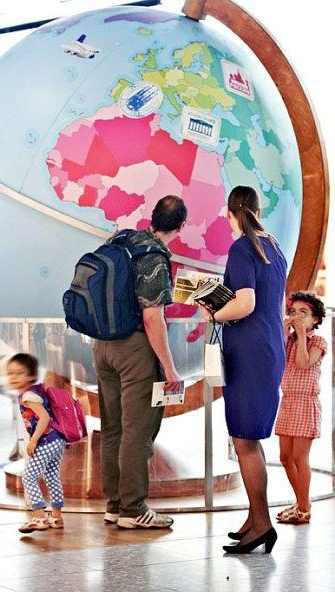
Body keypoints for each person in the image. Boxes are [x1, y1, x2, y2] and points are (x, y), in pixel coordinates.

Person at [199, 185, 287, 554]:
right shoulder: (273, 247)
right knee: (250, 439)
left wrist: (213, 312)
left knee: (243, 440)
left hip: (249, 351)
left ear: (229, 211)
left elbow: (246, 302)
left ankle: (263, 525)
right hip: (269, 346)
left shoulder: (241, 247)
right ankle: (255, 517)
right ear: (257, 209)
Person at [93, 195, 187, 529]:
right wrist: (170, 368)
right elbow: (152, 318)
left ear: (153, 217)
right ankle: (134, 511)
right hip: (133, 349)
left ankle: (115, 505)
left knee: (113, 428)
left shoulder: (121, 240)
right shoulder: (154, 257)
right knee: (137, 431)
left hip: (102, 345)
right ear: (181, 226)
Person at [275, 291, 327, 525]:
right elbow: (276, 362)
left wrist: (302, 336)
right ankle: (300, 503)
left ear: (315, 319)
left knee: (299, 457)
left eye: (303, 313)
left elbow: (303, 363)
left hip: (306, 402)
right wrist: (285, 335)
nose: (296, 316)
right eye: (293, 311)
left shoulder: (318, 341)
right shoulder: (290, 341)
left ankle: (304, 508)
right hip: (287, 401)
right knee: (285, 457)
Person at [7, 353, 67, 533]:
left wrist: (33, 441)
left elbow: (44, 418)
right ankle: (56, 516)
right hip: (57, 440)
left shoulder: (28, 396)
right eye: (11, 373)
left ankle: (40, 517)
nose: (13, 377)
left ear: (31, 375)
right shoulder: (36, 391)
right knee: (51, 476)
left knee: (29, 477)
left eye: (19, 373)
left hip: (46, 441)